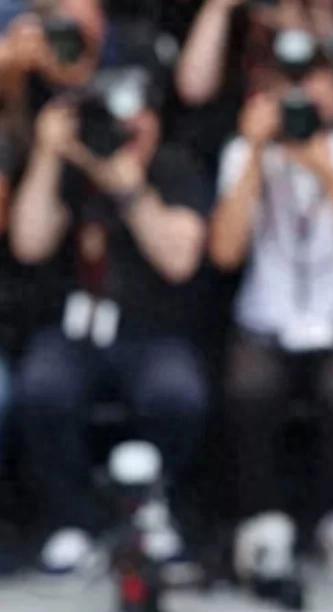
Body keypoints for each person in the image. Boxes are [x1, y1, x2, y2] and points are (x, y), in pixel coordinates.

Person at [209, 37, 333, 606]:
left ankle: (329, 514)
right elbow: (224, 252)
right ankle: (264, 520)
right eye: (287, 84)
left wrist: (327, 172)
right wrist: (254, 153)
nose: (300, 96)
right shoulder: (243, 152)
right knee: (250, 385)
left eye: (313, 81)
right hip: (266, 319)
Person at [9, 67, 212, 573]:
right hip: (72, 331)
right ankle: (74, 518)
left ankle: (152, 512)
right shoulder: (69, 166)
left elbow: (179, 259)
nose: (126, 130)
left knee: (177, 395)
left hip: (154, 331)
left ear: (157, 122)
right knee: (42, 388)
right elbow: (29, 244)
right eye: (116, 119)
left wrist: (130, 190)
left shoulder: (175, 167)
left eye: (140, 118)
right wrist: (49, 154)